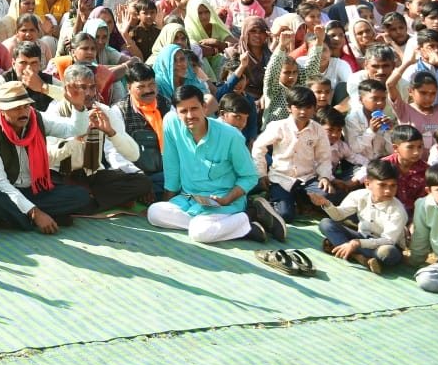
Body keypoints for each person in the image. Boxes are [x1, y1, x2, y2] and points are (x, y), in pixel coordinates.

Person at [147, 85, 271, 245]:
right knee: (155, 213)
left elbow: (249, 177)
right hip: (190, 200)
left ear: (205, 107)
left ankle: (251, 214)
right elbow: (171, 165)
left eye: (194, 109)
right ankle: (238, 227)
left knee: (199, 233)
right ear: (176, 112)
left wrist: (227, 199)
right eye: (183, 111)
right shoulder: (171, 123)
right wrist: (168, 201)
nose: (189, 115)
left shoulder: (230, 136)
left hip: (224, 202)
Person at [0, 80, 95, 233]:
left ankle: (18, 220)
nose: (23, 113)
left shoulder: (36, 118)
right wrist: (36, 213)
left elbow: (75, 130)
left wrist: (79, 107)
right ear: (2, 109)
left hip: (33, 190)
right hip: (3, 192)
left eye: (26, 106)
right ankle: (36, 217)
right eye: (16, 108)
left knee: (81, 196)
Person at [46, 63, 152, 211]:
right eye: (82, 87)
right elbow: (49, 157)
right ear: (68, 89)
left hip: (92, 176)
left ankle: (86, 201)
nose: (89, 93)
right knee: (61, 192)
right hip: (61, 176)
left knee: (143, 183)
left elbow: (133, 154)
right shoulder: (55, 111)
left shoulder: (103, 111)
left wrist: (111, 133)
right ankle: (95, 200)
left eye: (92, 87)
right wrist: (78, 137)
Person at [250, 85, 333, 227]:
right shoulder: (278, 126)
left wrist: (324, 177)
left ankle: (300, 200)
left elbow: (324, 157)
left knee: (327, 196)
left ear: (314, 109)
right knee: (285, 215)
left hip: (306, 178)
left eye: (308, 107)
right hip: (281, 177)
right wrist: (261, 173)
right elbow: (258, 147)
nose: (303, 112)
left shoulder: (318, 130)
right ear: (289, 107)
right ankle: (269, 203)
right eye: (298, 107)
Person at [317, 158, 407, 274]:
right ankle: (358, 257)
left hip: (384, 246)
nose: (388, 191)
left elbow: (388, 241)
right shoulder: (359, 195)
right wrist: (326, 204)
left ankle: (344, 247)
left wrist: (357, 243)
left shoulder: (398, 210)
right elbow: (338, 216)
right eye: (382, 185)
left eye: (393, 186)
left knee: (387, 253)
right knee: (326, 223)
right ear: (368, 184)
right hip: (362, 238)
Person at [410, 163, 438, 292]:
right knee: (425, 279)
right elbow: (420, 237)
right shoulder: (423, 205)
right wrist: (415, 260)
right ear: (429, 191)